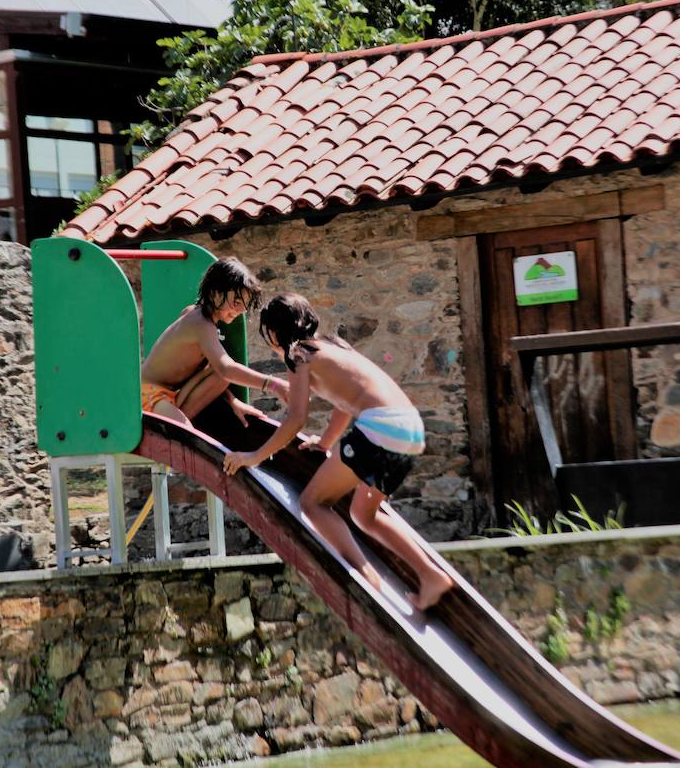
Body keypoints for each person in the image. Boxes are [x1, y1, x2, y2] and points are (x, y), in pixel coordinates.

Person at [223, 293, 455, 610]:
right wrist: (326, 443)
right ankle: (430, 575)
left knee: (312, 502)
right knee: (364, 514)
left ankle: (364, 574)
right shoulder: (332, 345)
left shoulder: (298, 352)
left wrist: (255, 456)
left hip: (381, 427)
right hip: (410, 428)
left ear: (276, 333)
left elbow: (296, 417)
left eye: (269, 337)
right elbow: (344, 405)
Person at [140, 257, 289, 427]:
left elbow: (219, 371)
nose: (239, 310)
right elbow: (227, 368)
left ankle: (179, 422)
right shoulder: (199, 322)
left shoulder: (203, 320)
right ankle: (178, 425)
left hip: (173, 395)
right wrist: (273, 384)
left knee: (219, 374)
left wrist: (233, 402)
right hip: (149, 394)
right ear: (215, 292)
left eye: (243, 306)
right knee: (186, 435)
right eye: (236, 302)